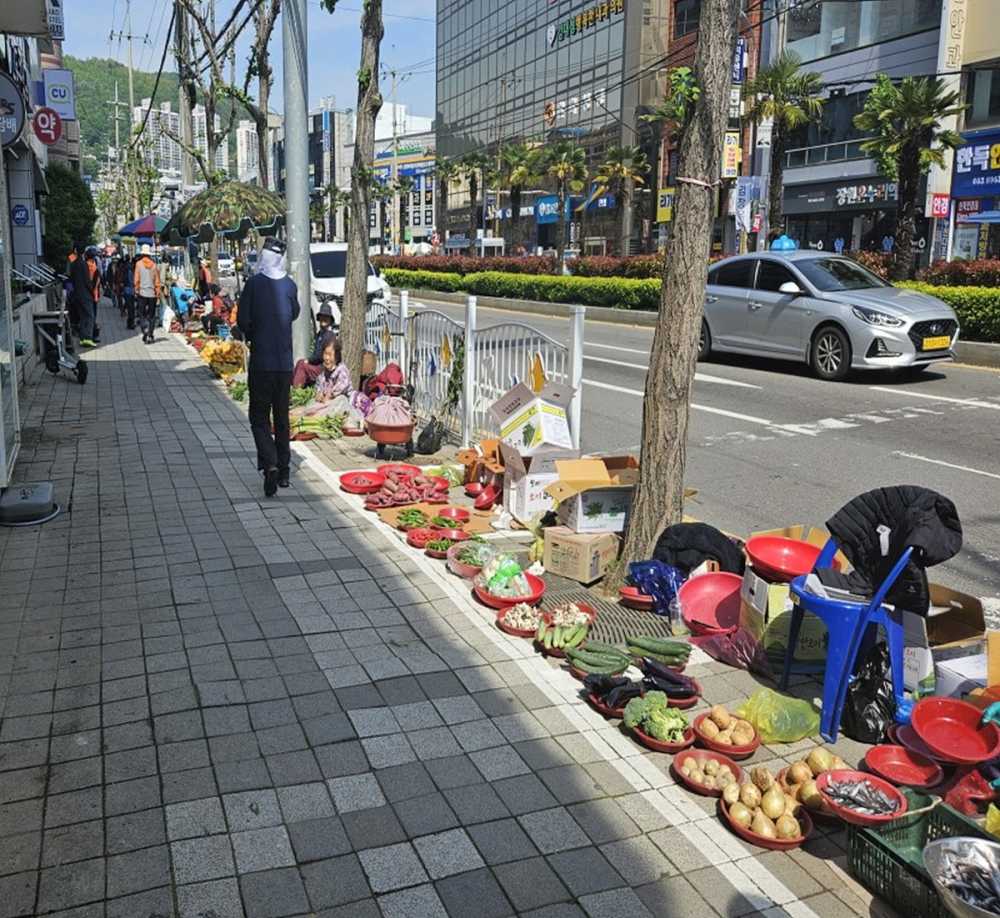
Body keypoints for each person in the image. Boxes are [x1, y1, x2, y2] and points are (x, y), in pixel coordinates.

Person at [237, 237, 300, 497]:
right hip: (284, 364)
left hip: (262, 363)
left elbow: (243, 320)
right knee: (282, 417)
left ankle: (270, 462)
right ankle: (284, 471)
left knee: (259, 418)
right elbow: (295, 312)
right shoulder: (289, 285)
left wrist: (253, 332)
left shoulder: (253, 284)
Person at [291, 336, 372, 430]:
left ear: (337, 357)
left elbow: (340, 388)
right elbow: (319, 386)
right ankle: (301, 416)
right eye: (325, 354)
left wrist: (329, 395)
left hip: (345, 402)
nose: (326, 358)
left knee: (338, 402)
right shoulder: (323, 373)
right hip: (328, 402)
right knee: (313, 404)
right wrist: (319, 394)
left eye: (330, 355)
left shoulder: (342, 370)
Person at [291, 303, 337, 387]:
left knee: (302, 366)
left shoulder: (330, 336)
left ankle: (296, 393)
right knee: (300, 362)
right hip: (317, 365)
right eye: (322, 316)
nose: (324, 319)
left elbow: (321, 356)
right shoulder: (320, 334)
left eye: (326, 317)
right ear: (319, 318)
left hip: (324, 368)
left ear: (330, 320)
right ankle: (290, 386)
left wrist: (309, 360)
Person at [134, 244, 163, 344]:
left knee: (141, 314)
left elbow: (136, 279)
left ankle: (144, 329)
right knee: (151, 315)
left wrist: (136, 289)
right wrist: (157, 292)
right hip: (152, 294)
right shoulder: (154, 265)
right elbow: (157, 281)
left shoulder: (138, 264)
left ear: (142, 254)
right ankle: (150, 334)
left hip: (142, 293)